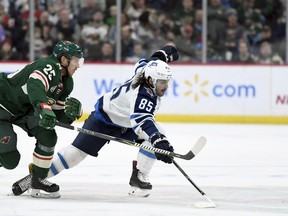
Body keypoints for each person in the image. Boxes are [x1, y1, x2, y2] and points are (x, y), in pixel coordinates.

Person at [12, 45, 179, 198]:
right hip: (103, 120)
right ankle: (37, 177)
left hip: (126, 123)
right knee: (75, 155)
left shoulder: (145, 72)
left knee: (158, 133)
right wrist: (158, 142)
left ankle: (139, 176)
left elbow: (146, 62)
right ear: (150, 80)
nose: (165, 86)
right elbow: (142, 120)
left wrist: (161, 55)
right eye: (162, 82)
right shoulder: (143, 95)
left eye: (167, 81)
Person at [0, 40, 84, 198]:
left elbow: (57, 117)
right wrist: (44, 108)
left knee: (48, 135)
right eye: (75, 61)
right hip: (2, 104)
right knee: (10, 160)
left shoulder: (66, 83)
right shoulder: (50, 66)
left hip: (24, 110)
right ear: (63, 59)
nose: (78, 65)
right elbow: (35, 84)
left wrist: (71, 114)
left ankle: (37, 179)